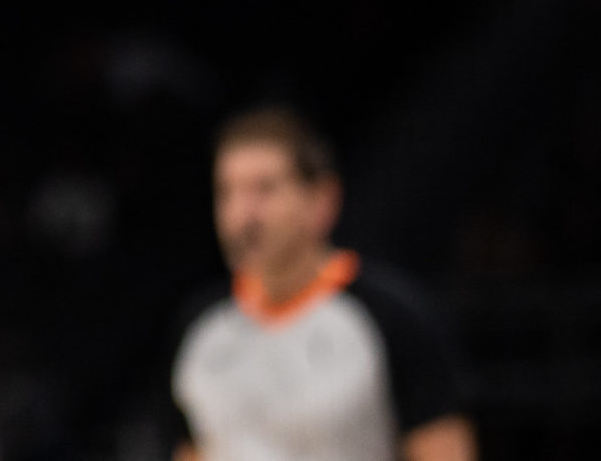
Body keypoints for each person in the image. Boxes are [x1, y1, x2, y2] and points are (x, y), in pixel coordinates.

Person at [172, 108, 473, 461]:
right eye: (228, 192)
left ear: (322, 200)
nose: (243, 214)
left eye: (264, 189)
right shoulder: (199, 325)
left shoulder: (391, 317)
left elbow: (444, 449)